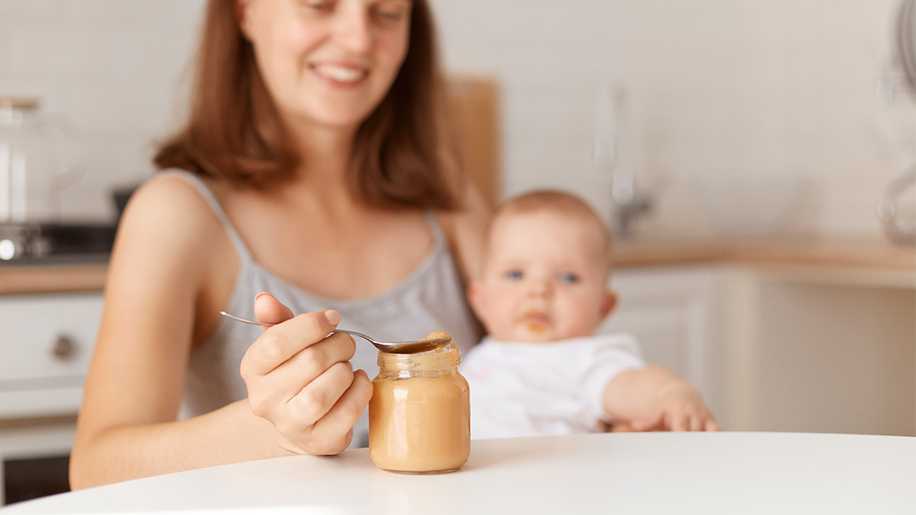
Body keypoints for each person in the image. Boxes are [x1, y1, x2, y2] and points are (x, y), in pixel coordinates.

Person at [69, 0, 489, 488]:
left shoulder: (449, 200)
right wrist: (272, 430)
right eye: (319, 5)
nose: (357, 39)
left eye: (388, 12)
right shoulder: (177, 215)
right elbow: (95, 469)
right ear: (244, 13)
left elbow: (550, 365)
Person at [462, 190, 718, 439]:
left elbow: (629, 385)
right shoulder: (476, 359)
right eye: (515, 275)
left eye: (567, 278)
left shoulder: (585, 358)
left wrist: (669, 394)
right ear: (479, 299)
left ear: (603, 307)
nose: (539, 290)